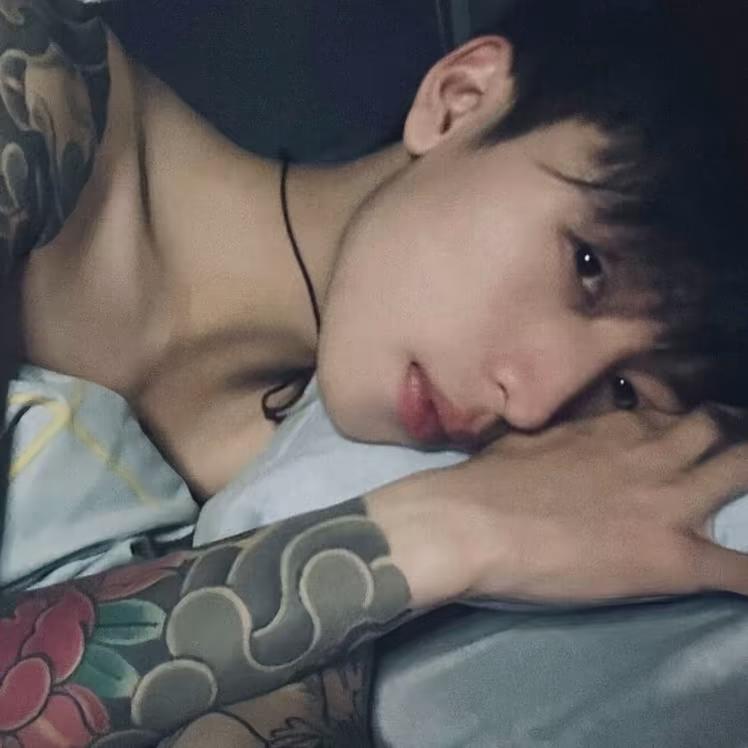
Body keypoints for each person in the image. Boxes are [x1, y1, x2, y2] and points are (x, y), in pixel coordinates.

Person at [2, 0, 748, 745]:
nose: (533, 402)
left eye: (624, 392)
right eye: (587, 266)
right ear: (460, 100)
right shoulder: (41, 88)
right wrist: (442, 534)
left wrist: (451, 534)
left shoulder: (333, 479)